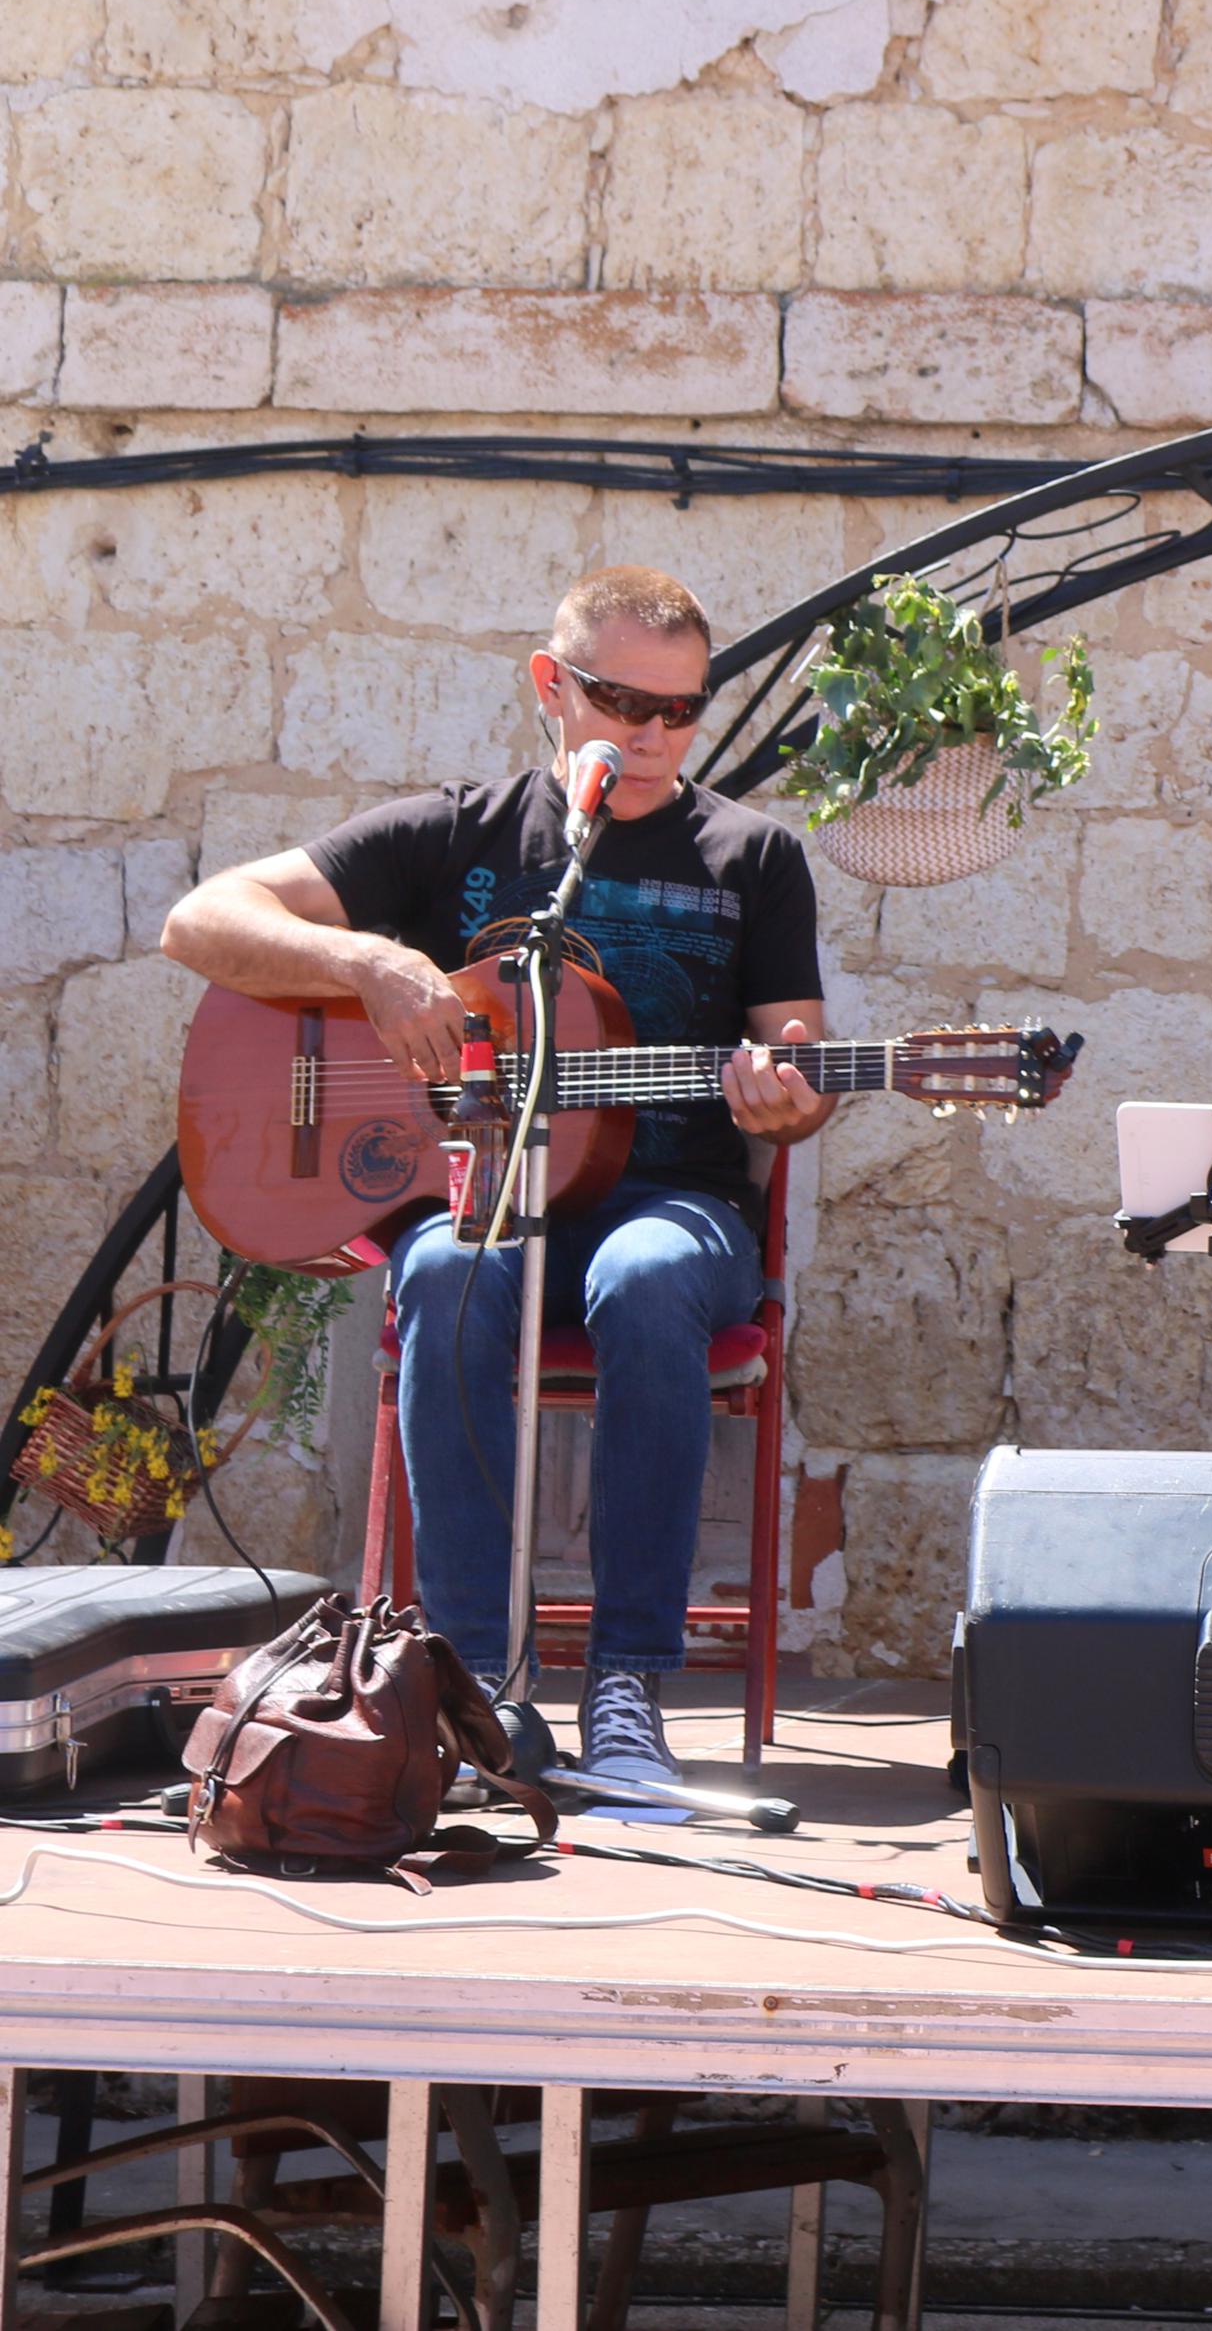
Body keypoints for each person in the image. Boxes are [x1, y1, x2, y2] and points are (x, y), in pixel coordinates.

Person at [159, 567, 835, 1792]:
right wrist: (365, 960)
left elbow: (799, 1060)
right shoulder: (459, 832)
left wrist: (791, 1088)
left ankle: (626, 1685)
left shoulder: (753, 856)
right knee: (446, 1269)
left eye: (681, 710)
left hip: (672, 1205)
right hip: (489, 1196)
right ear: (550, 686)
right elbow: (201, 920)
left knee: (644, 1278)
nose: (650, 734)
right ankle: (467, 1691)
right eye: (621, 699)